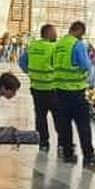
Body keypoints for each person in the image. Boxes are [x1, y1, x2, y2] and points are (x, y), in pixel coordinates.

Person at [52, 21, 95, 169]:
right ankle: (88, 156)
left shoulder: (59, 45)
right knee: (83, 126)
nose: (82, 37)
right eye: (82, 34)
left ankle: (68, 154)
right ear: (78, 31)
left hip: (59, 91)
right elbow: (85, 65)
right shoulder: (77, 45)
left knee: (64, 125)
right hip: (75, 91)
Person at [18, 23, 60, 152]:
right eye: (54, 32)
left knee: (40, 116)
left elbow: (22, 62)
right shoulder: (54, 47)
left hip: (36, 87)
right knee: (59, 116)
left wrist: (30, 73)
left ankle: (43, 142)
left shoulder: (33, 46)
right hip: (52, 87)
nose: (56, 34)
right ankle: (62, 143)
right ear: (48, 33)